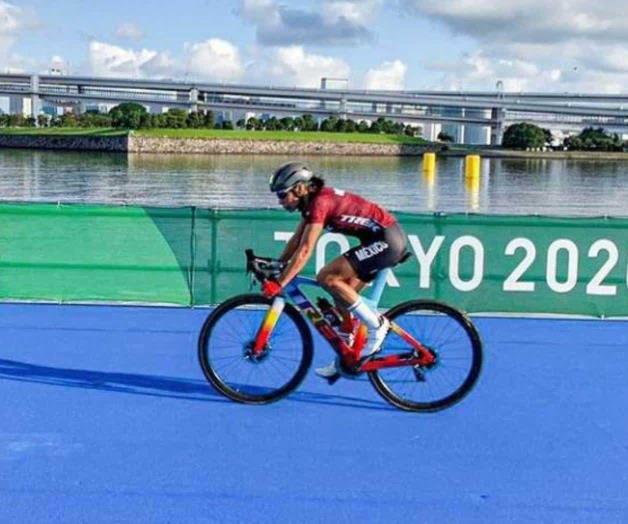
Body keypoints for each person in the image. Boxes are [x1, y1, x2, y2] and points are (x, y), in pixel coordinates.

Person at [262, 161, 408, 379]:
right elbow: (296, 241)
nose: (281, 201)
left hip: (387, 241)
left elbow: (305, 250)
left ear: (300, 188)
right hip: (378, 240)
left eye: (283, 195)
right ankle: (348, 354)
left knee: (327, 277)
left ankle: (377, 326)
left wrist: (280, 282)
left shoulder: (320, 203)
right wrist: (278, 264)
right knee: (342, 296)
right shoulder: (310, 205)